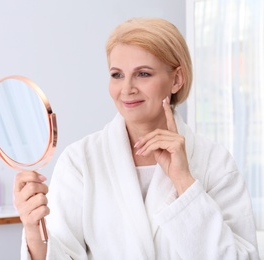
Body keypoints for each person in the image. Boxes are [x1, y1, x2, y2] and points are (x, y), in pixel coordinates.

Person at [14, 18, 259, 259]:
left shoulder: (214, 162)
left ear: (176, 79)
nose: (127, 88)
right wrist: (34, 232)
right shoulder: (80, 161)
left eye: (143, 73)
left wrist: (184, 182)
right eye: (117, 75)